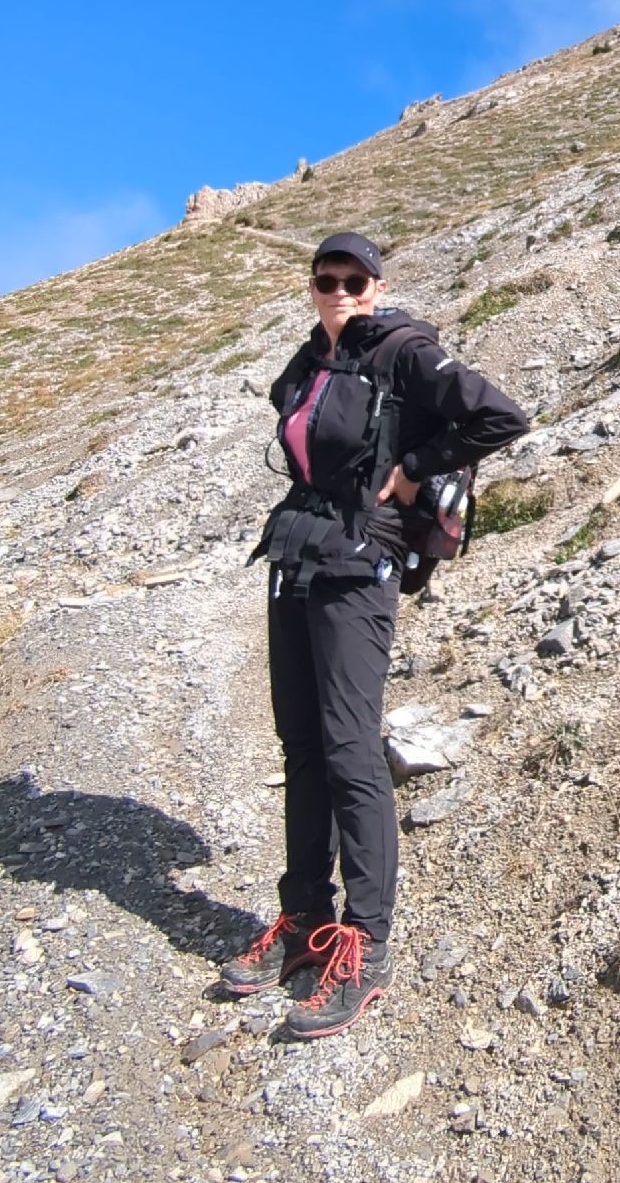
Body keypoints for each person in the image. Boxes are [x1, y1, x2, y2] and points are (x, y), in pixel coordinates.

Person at [219, 231, 530, 1037]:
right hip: (295, 555)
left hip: (361, 563)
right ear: (312, 286)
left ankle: (365, 945)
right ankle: (304, 921)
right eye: (327, 278)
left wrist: (416, 468)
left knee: (351, 747)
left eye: (355, 280)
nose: (340, 291)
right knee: (301, 745)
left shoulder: (403, 351)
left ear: (377, 285)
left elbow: (501, 415)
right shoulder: (309, 361)